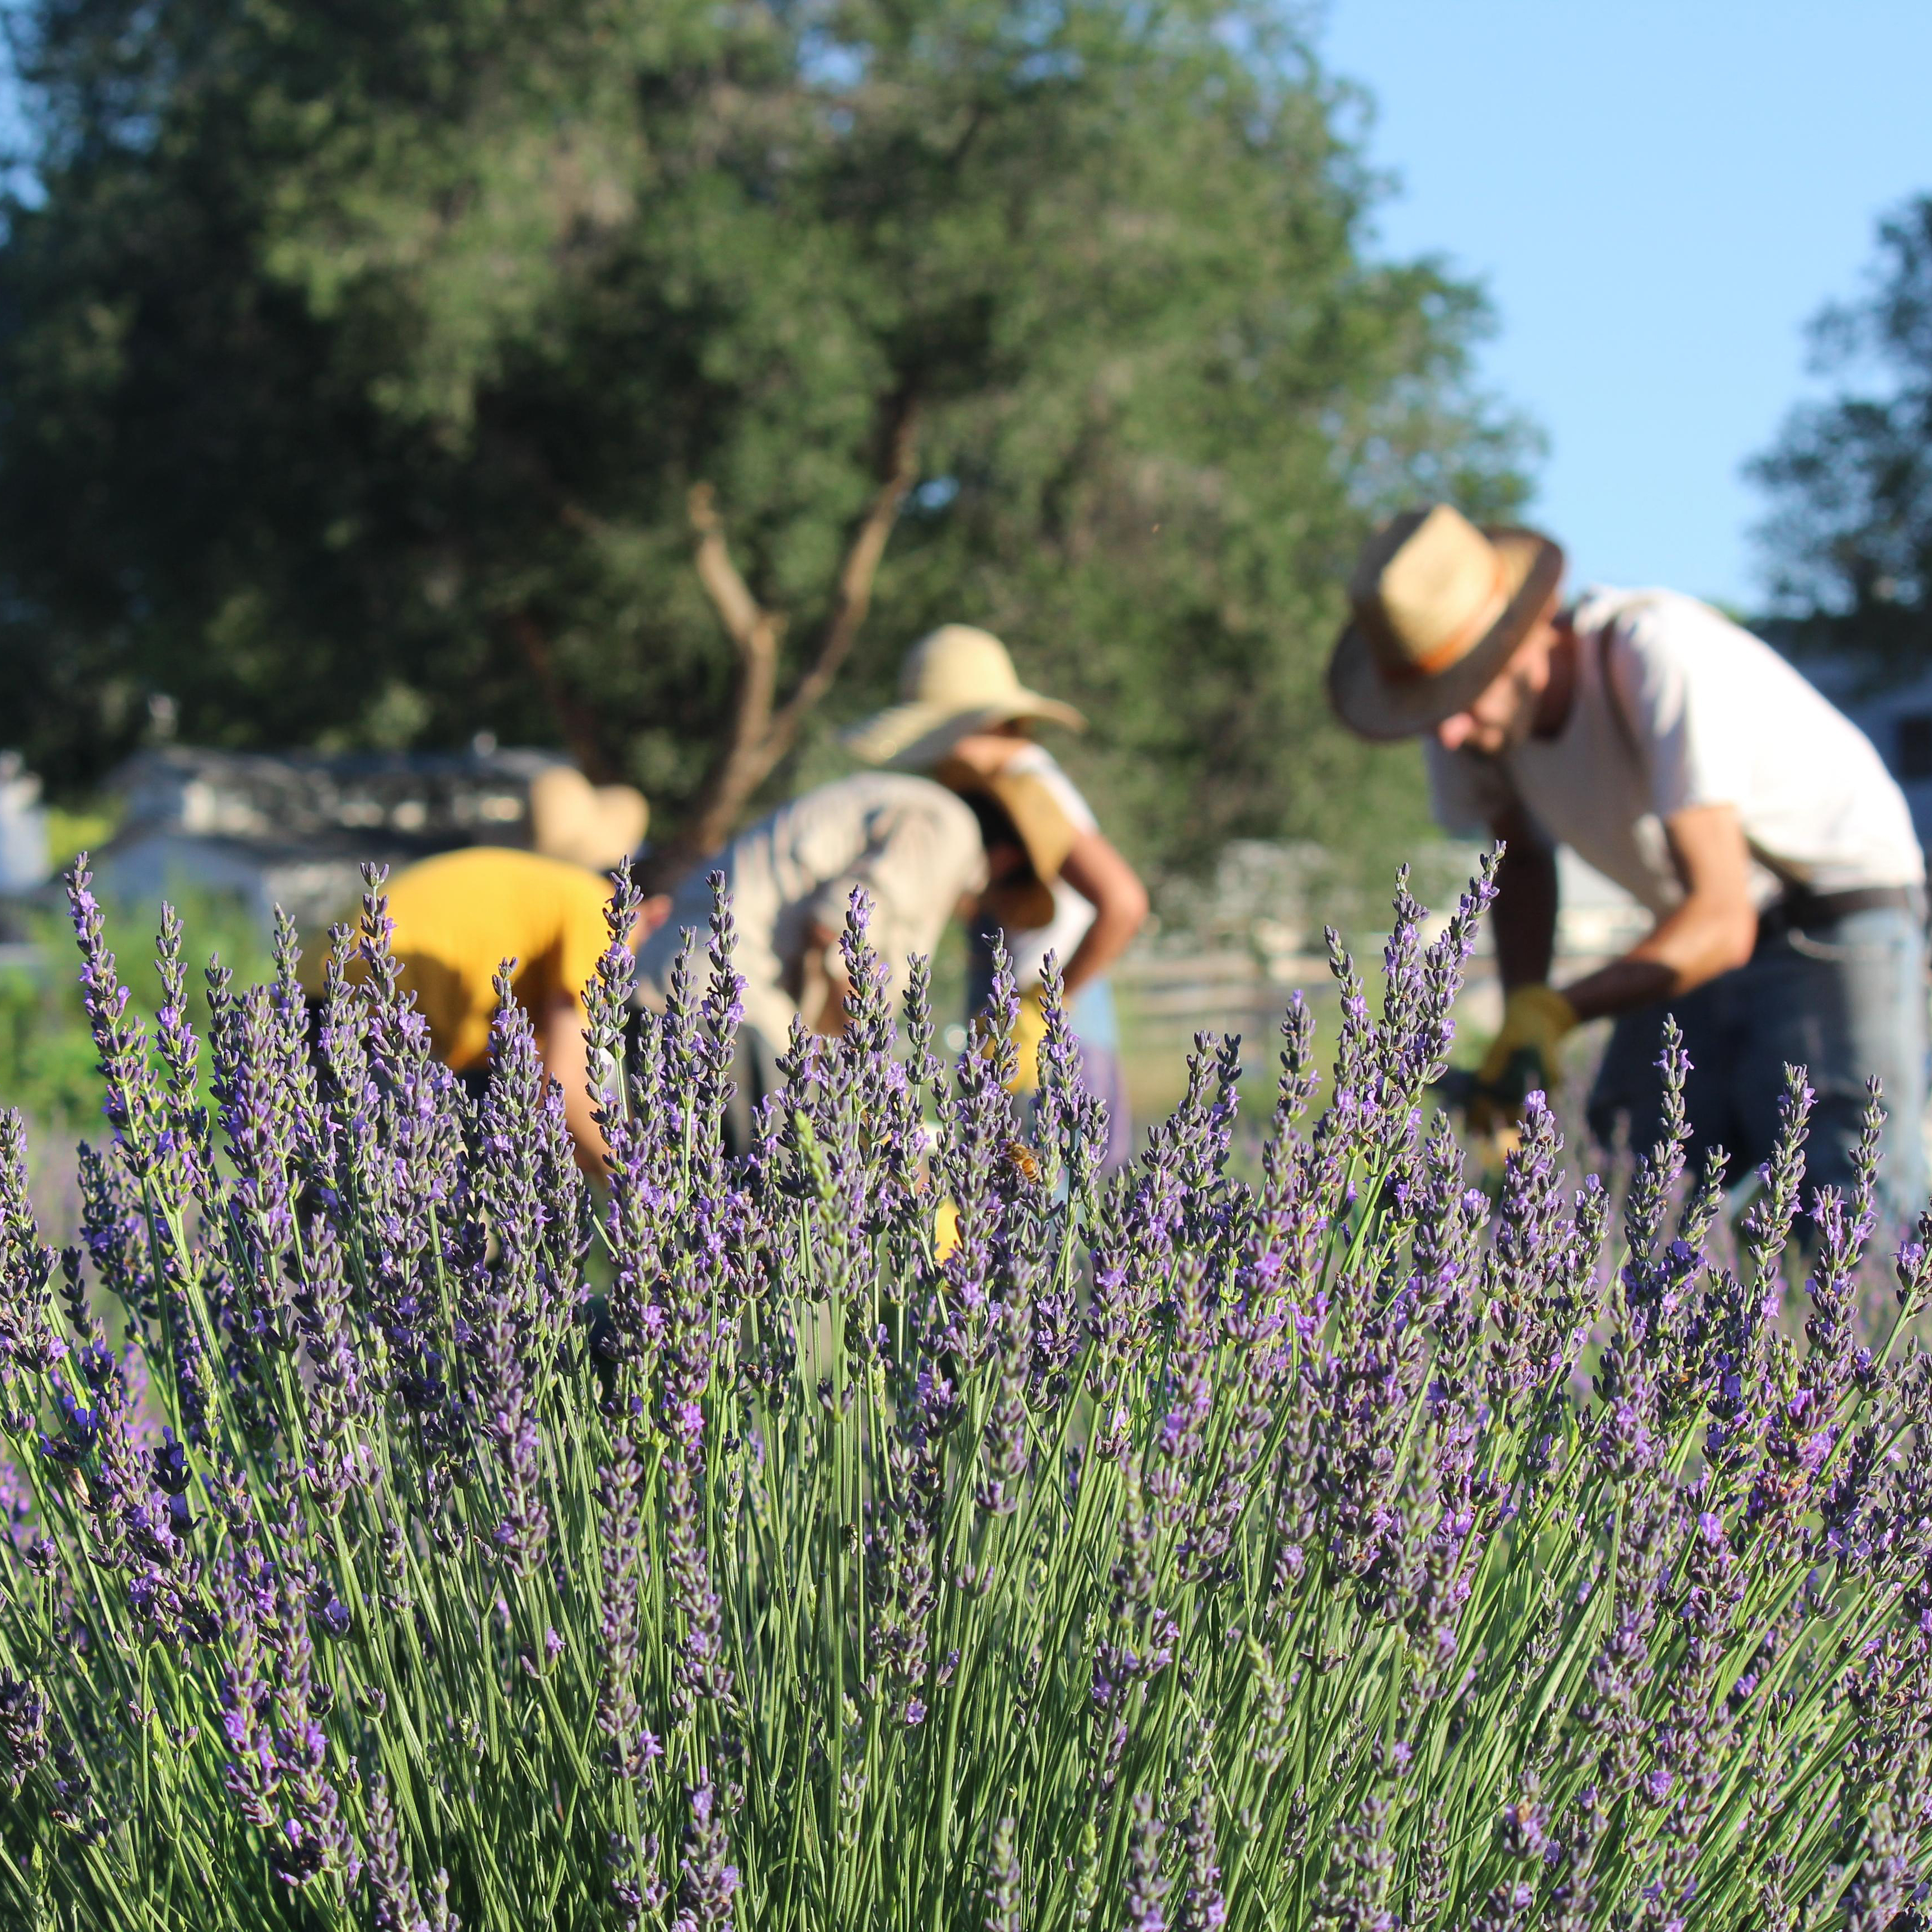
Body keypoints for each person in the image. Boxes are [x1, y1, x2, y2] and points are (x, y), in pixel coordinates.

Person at [1328, 502, 1929, 1222]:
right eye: (1432, 706)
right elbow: (1519, 868)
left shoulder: (1654, 655)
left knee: (1846, 1200)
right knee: (1630, 1176)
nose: (1448, 731)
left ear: (1523, 636)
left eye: (1461, 692)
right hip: (1695, 929)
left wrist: (1558, 1013)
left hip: (1833, 906)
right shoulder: (1469, 730)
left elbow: (1723, 918)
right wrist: (1524, 1028)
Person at [634, 768, 1073, 1154]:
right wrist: (877, 1084)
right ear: (1008, 860)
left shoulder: (909, 802)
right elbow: (840, 935)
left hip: (676, 982)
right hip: (730, 1003)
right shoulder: (949, 828)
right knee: (773, 1201)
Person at [844, 625, 1149, 1171]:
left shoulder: (1023, 783)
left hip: (1049, 1023)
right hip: (1028, 1019)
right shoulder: (1004, 788)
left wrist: (1042, 1011)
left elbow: (1123, 903)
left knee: (1044, 1201)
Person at [308, 764, 650, 1171]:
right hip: (374, 1026)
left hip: (313, 999)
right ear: (656, 911)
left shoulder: (520, 880)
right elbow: (565, 1088)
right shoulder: (598, 907)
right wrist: (638, 1183)